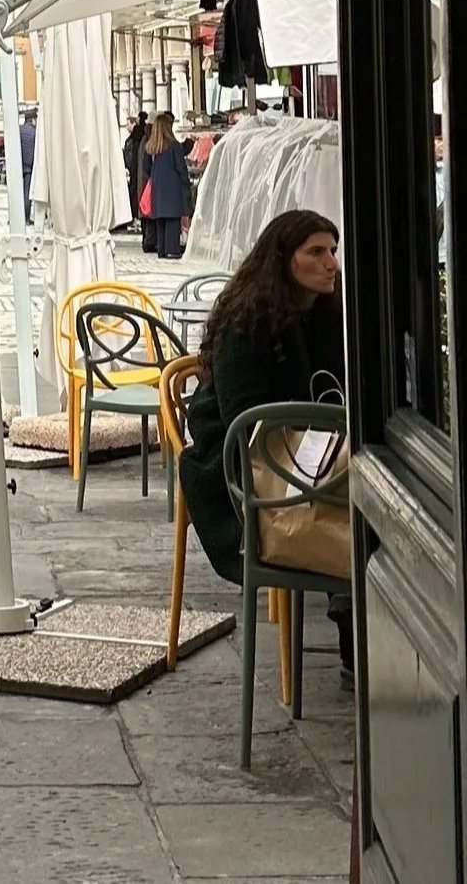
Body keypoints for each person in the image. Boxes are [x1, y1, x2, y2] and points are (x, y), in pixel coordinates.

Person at [177, 209, 351, 679]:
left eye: (333, 251)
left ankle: (354, 622)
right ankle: (354, 631)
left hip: (303, 449)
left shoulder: (324, 315)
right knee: (352, 506)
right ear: (283, 260)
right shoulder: (246, 322)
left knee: (370, 493)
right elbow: (244, 424)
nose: (331, 262)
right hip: (237, 464)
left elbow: (333, 388)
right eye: (316, 252)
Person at [139, 110, 192, 258]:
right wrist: (185, 184)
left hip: (157, 190)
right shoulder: (174, 146)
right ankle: (172, 251)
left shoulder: (150, 147)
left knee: (160, 221)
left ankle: (161, 250)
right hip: (173, 190)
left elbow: (146, 169)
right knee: (172, 221)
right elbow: (181, 168)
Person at [18, 110, 37, 222]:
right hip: (29, 166)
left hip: (19, 166)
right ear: (33, 119)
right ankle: (26, 217)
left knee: (17, 193)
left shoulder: (19, 130)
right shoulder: (35, 132)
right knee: (27, 193)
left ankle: (16, 217)